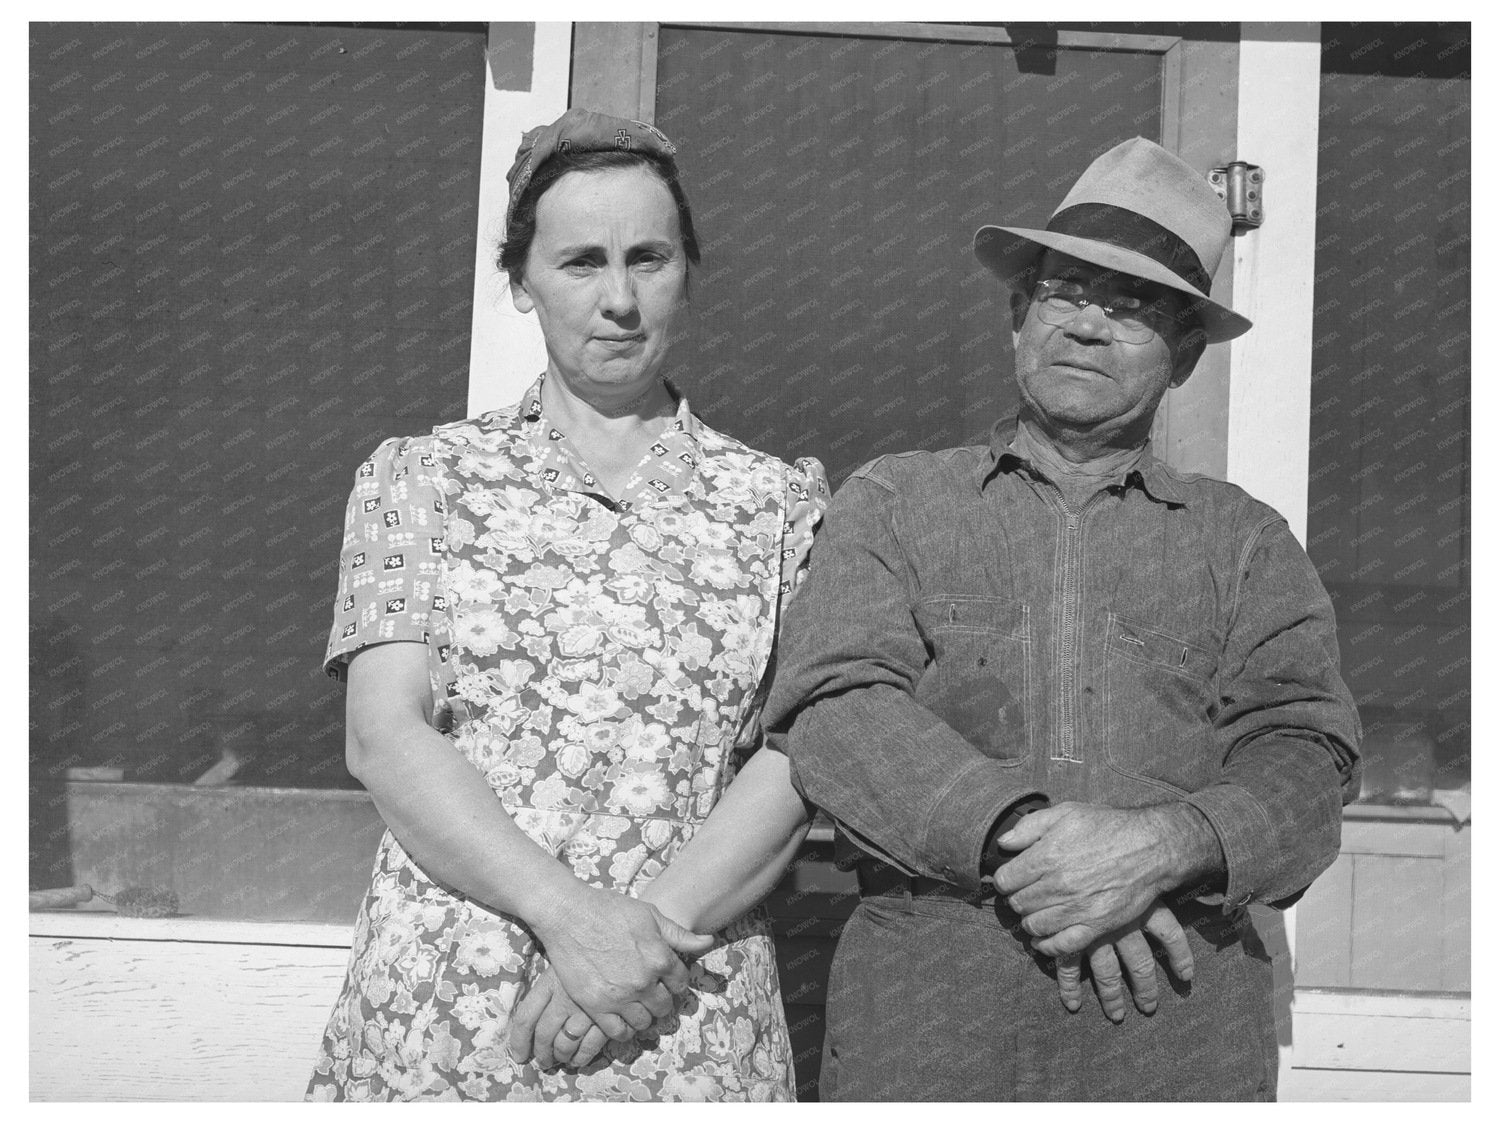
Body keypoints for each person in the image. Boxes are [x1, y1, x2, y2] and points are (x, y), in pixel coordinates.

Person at [764, 138, 1361, 1101]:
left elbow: (1308, 764)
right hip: (928, 1026)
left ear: (1185, 355)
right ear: (1017, 318)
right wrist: (1034, 842)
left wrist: (1164, 846)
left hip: (1179, 1035)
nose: (1088, 325)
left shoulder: (1246, 542)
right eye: (1065, 294)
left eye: (1131, 308)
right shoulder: (896, 501)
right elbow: (834, 709)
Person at [307, 108, 828, 1102]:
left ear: (687, 272)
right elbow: (384, 735)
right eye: (582, 262)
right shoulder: (421, 479)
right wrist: (573, 919)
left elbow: (799, 757)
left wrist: (636, 945)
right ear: (521, 281)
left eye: (649, 259)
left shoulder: (778, 507)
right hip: (454, 1010)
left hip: (684, 1009)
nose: (620, 299)